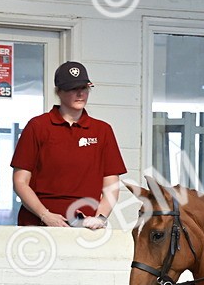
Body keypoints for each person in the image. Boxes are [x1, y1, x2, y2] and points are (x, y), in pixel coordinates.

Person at [11, 61, 126, 230]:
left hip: (86, 226)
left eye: (84, 88)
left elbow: (111, 185)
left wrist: (100, 218)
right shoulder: (38, 126)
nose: (80, 94)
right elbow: (20, 182)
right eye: (72, 89)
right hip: (39, 226)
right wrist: (45, 215)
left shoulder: (102, 131)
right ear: (58, 91)